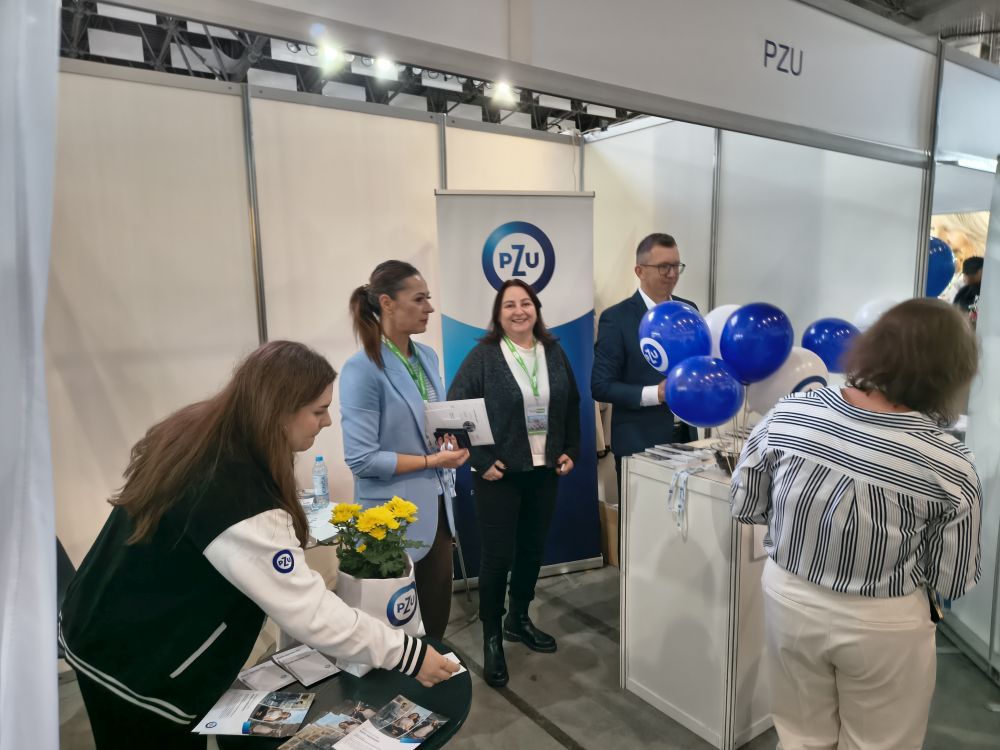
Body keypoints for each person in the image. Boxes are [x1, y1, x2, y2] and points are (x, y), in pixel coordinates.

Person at [58, 341, 458, 750]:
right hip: (138, 660)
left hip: (101, 617)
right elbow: (310, 612)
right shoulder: (236, 491)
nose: (327, 422)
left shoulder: (204, 430)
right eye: (318, 411)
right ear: (279, 411)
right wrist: (408, 654)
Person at [730, 298, 982, 750]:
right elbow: (953, 578)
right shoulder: (950, 463)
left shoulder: (791, 412)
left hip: (788, 595)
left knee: (800, 736)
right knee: (879, 742)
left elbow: (745, 504)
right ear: (950, 372)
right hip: (884, 619)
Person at [447, 279, 581, 688]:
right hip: (499, 476)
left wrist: (570, 447)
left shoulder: (553, 352)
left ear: (536, 309)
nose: (519, 311)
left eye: (526, 303)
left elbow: (571, 404)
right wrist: (481, 460)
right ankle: (492, 637)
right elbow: (453, 411)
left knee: (532, 550)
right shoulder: (485, 356)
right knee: (497, 558)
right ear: (498, 313)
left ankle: (518, 619)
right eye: (509, 305)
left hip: (544, 472)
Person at [341, 260, 470, 640]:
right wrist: (432, 460)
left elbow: (426, 425)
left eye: (428, 298)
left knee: (435, 618)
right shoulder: (362, 369)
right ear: (387, 303)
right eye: (419, 299)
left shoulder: (427, 357)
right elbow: (362, 459)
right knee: (393, 631)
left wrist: (449, 442)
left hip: (437, 509)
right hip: (390, 520)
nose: (429, 307)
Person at [591, 232, 698, 498]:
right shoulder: (617, 318)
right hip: (639, 446)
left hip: (688, 442)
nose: (672, 274)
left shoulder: (689, 311)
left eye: (676, 265)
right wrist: (655, 393)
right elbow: (601, 385)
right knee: (640, 523)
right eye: (663, 267)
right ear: (639, 271)